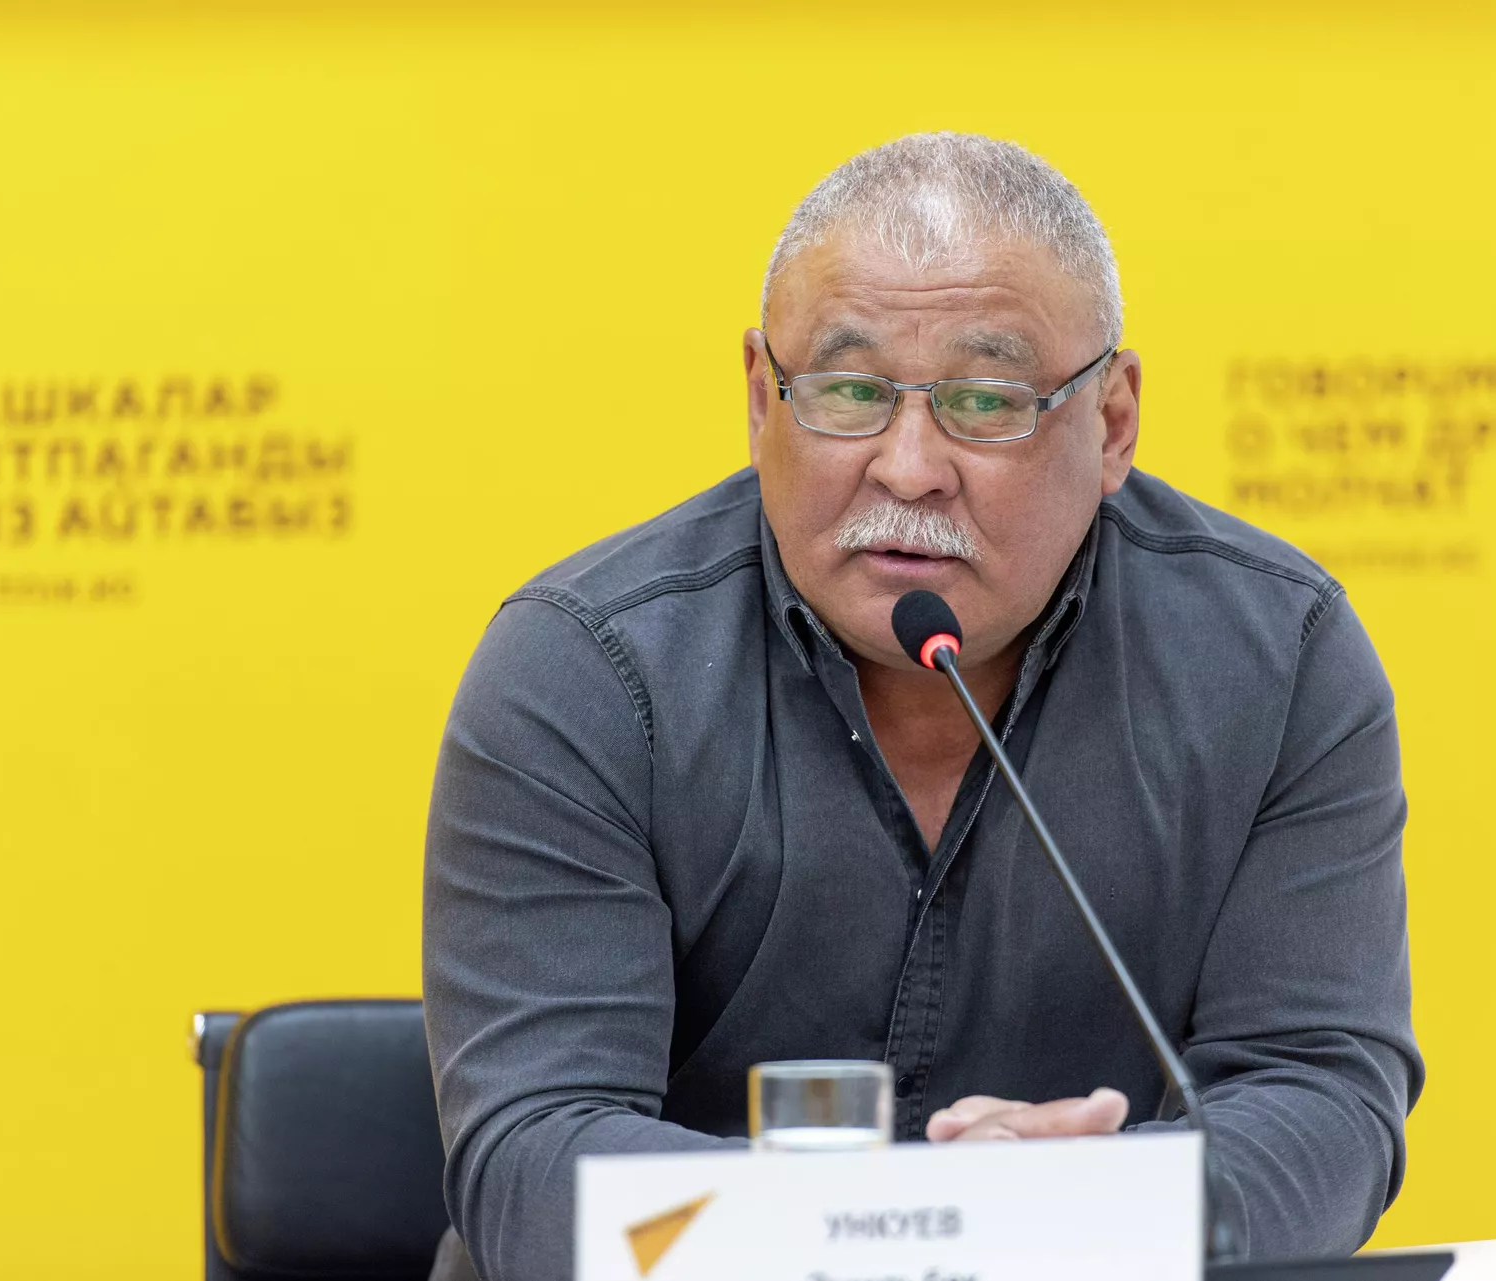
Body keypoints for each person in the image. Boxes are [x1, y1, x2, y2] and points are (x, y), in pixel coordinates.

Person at [423, 132, 1423, 1281]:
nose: (907, 467)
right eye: (849, 393)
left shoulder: (1274, 659)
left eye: (985, 401)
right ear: (760, 399)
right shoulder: (589, 668)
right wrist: (930, 1224)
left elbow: (1322, 1100)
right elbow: (535, 1163)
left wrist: (1086, 1209)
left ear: (1112, 423)